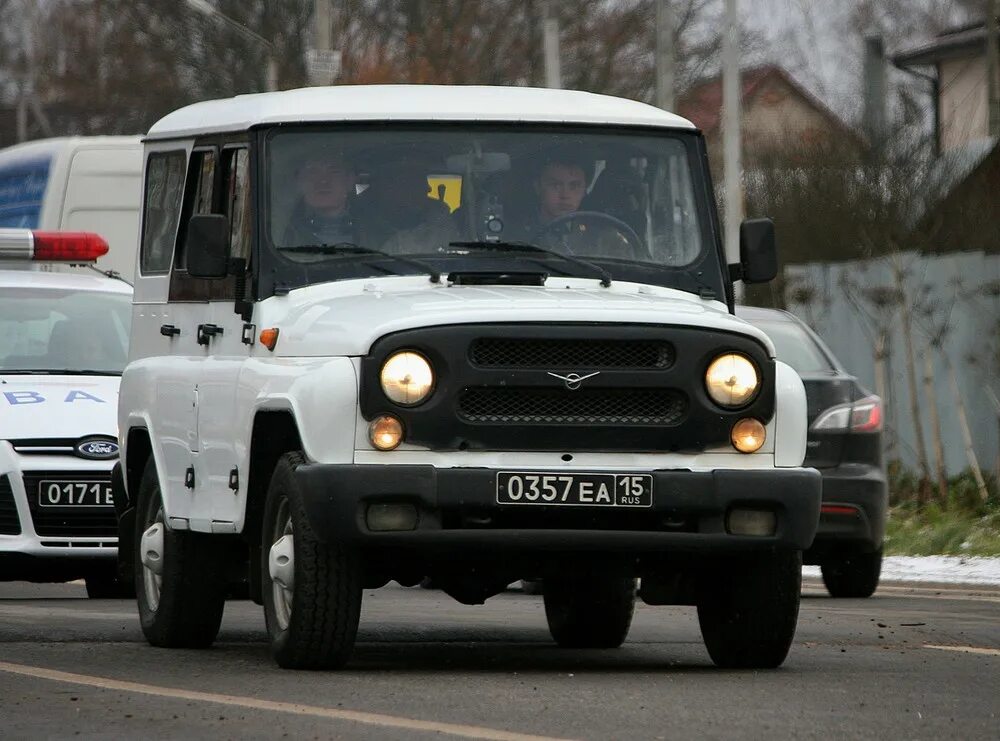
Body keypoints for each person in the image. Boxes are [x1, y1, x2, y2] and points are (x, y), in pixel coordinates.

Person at [510, 151, 636, 258]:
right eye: (556, 185)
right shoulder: (514, 235)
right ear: (538, 187)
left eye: (574, 186)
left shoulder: (605, 239)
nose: (565, 195)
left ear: (585, 189)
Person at [354, 149, 458, 254]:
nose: (428, 188)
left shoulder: (439, 220)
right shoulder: (354, 223)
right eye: (419, 180)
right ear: (391, 188)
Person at [281, 150, 359, 247]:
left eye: (334, 171)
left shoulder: (377, 227)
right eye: (312, 171)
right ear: (299, 181)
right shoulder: (279, 227)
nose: (323, 181)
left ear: (350, 180)